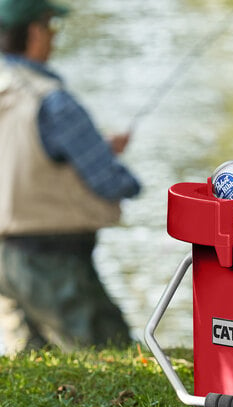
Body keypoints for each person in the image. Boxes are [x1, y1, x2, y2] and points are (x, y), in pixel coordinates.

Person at [0, 0, 142, 354]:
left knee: (30, 365)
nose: (52, 38)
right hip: (52, 260)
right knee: (112, 356)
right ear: (34, 33)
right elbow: (114, 183)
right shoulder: (53, 101)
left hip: (4, 261)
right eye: (51, 28)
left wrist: (94, 147)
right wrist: (102, 156)